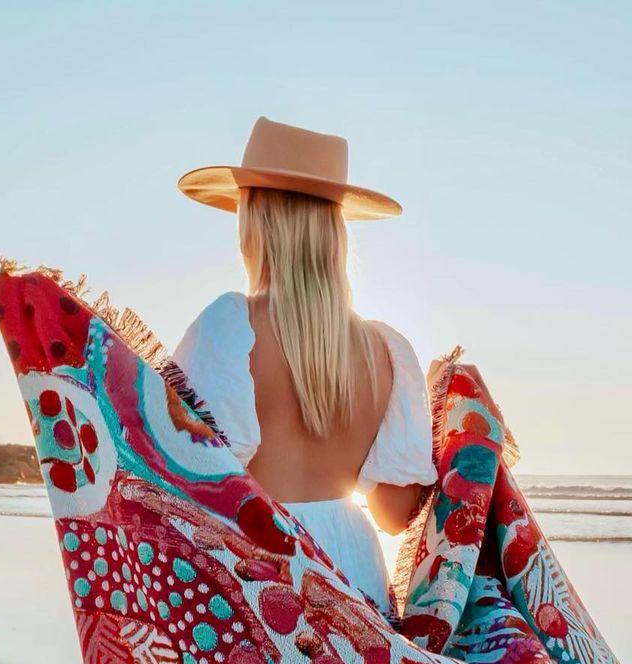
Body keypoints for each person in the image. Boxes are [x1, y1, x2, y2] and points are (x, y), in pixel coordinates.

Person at [173, 115, 437, 618]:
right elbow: (392, 515)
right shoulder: (387, 351)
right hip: (355, 577)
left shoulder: (229, 329)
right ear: (333, 231)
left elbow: (189, 479)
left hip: (258, 572)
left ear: (257, 220)